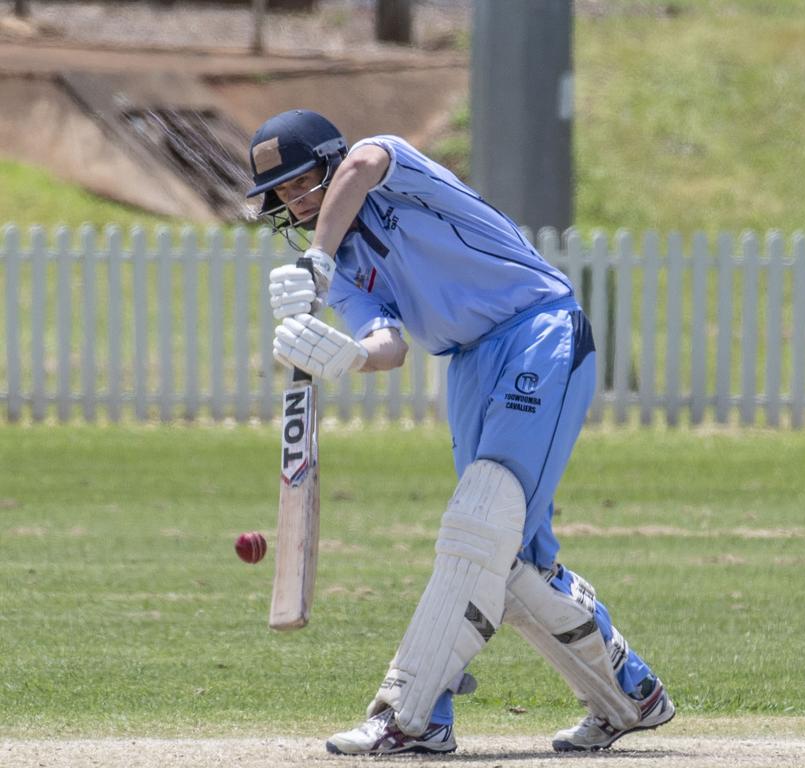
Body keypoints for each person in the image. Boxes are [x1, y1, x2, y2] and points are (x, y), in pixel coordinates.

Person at [246, 109, 675, 756]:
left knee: (481, 521)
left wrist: (317, 258)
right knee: (510, 555)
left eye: (301, 183)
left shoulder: (383, 166)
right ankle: (628, 695)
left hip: (539, 330)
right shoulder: (345, 270)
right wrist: (350, 356)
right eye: (280, 195)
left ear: (330, 165)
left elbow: (364, 165)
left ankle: (410, 713)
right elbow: (388, 344)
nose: (293, 202)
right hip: (468, 365)